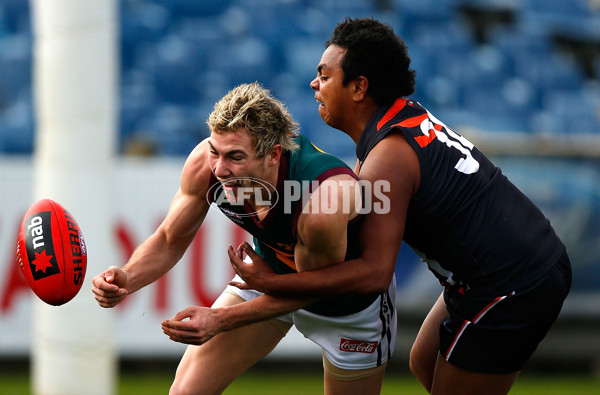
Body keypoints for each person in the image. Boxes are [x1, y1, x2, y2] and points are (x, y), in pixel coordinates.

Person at [227, 18, 572, 395]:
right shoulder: (397, 122)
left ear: (359, 87)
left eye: (324, 76)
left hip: (512, 280)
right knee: (423, 360)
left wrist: (275, 283)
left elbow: (374, 274)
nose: (315, 84)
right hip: (504, 268)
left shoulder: (388, 156)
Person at [91, 82, 397, 395]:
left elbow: (316, 287)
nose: (221, 170)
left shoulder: (322, 199)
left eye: (235, 157)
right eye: (215, 151)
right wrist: (127, 277)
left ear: (274, 155)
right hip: (268, 278)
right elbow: (170, 239)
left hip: (346, 307)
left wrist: (220, 319)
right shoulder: (206, 165)